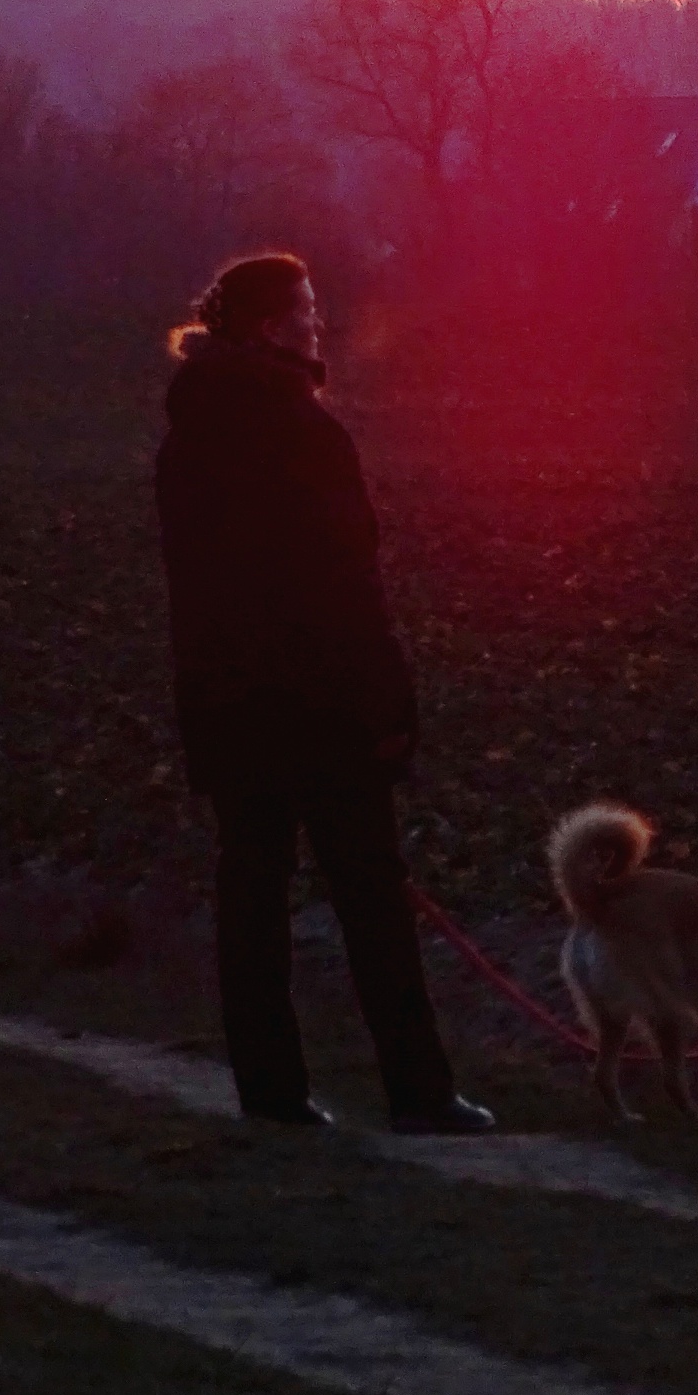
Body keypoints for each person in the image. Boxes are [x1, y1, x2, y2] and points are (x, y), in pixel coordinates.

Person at [154, 252, 494, 1134]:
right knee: (373, 899)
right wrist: (387, 704)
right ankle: (417, 1089)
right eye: (306, 307)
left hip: (229, 701)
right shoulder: (309, 435)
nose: (319, 320)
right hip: (323, 706)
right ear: (269, 325)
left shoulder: (186, 439)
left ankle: (270, 1094)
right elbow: (350, 582)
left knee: (252, 897)